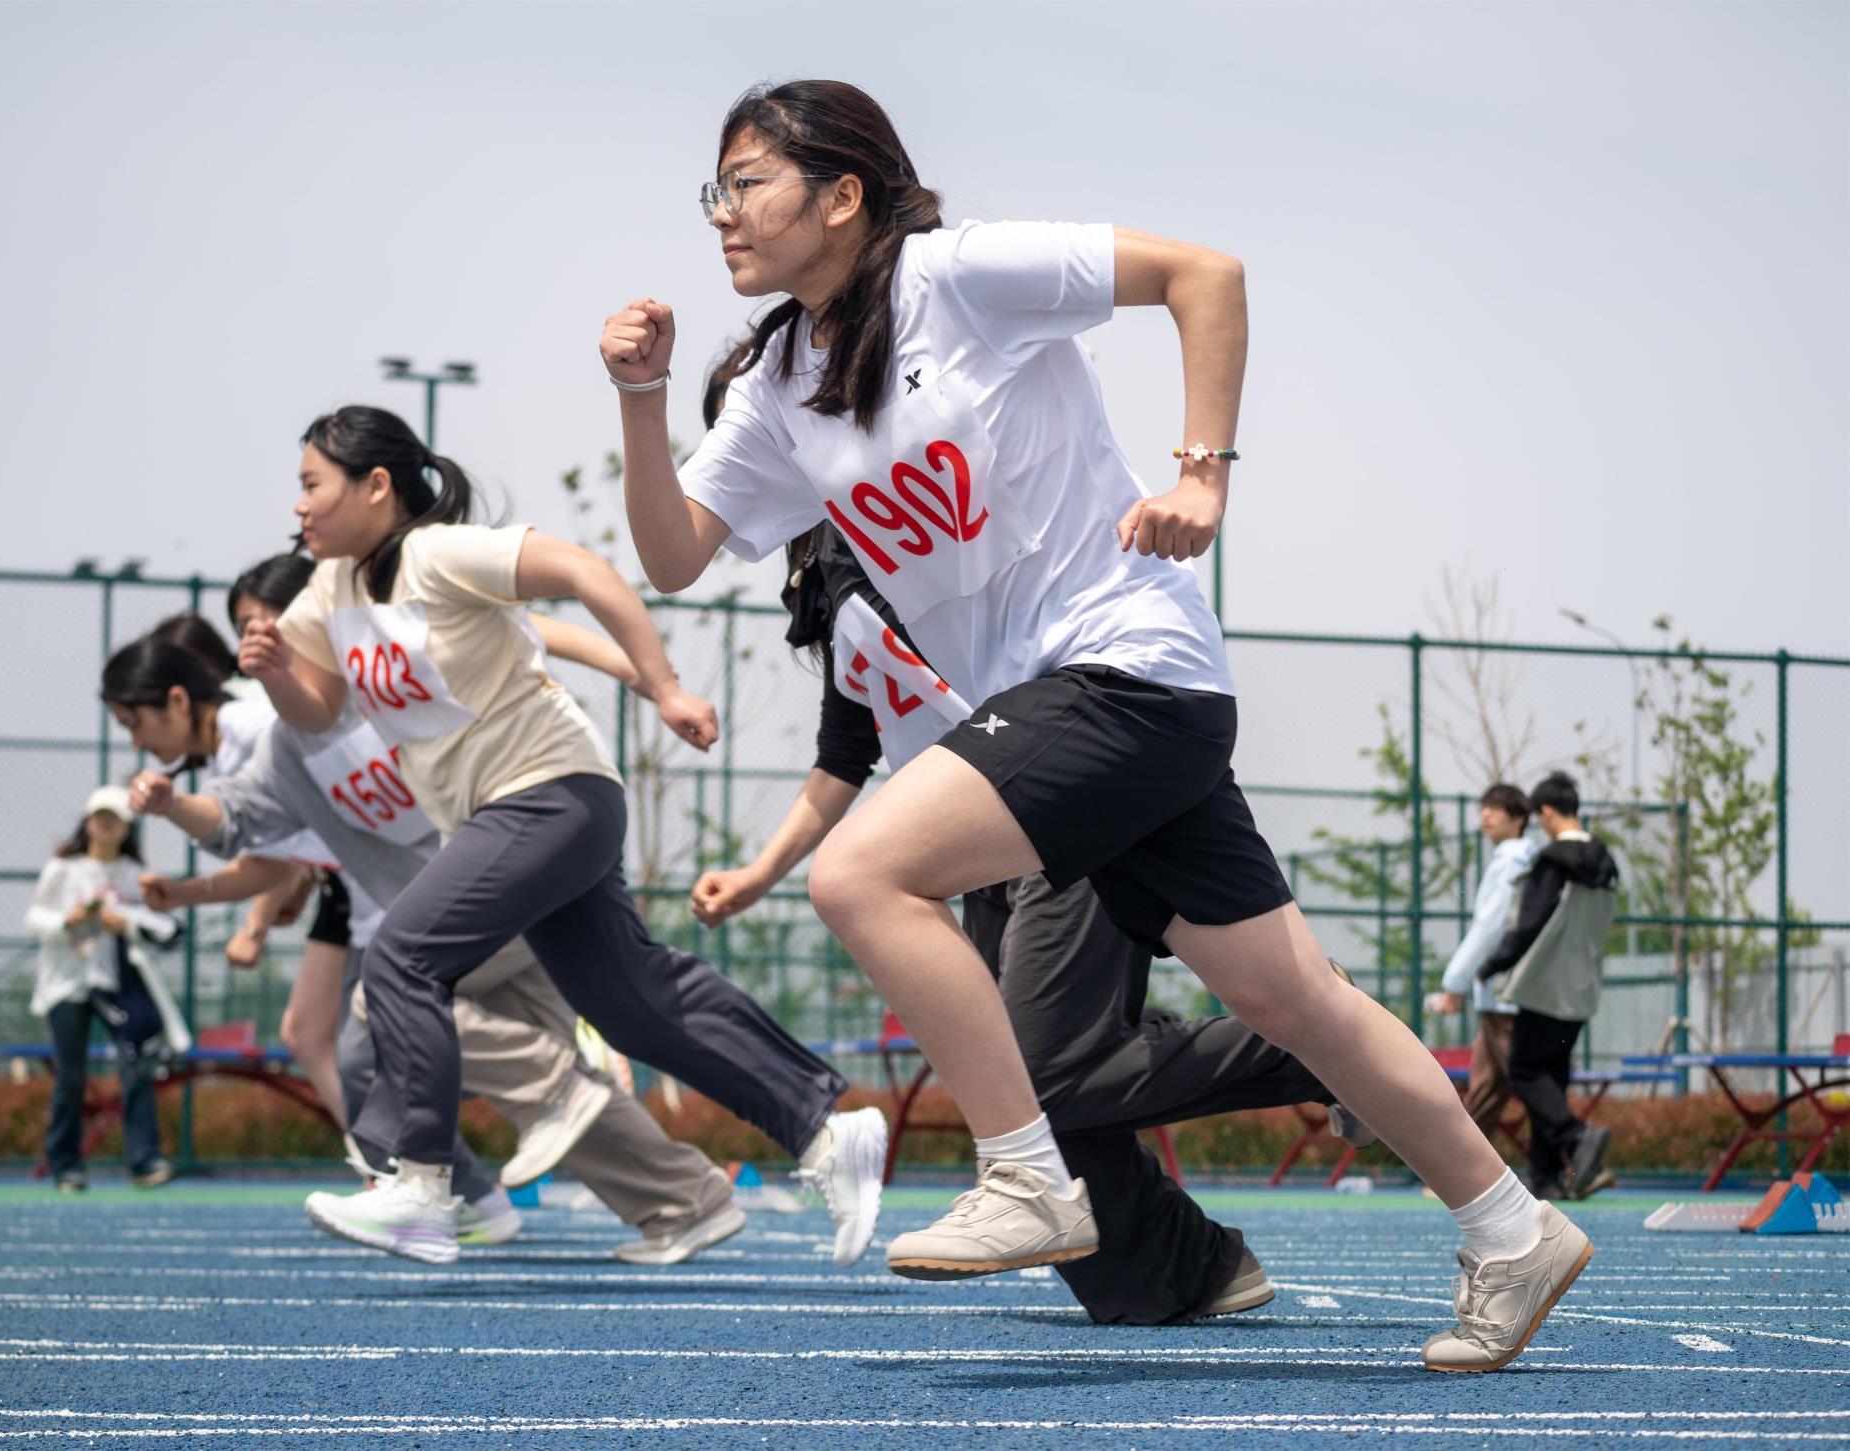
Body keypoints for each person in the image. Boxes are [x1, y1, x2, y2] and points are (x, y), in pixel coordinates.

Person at [602, 78, 1590, 1370]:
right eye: (714, 191)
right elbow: (674, 553)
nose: (723, 214)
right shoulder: (783, 377)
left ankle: (1027, 1172)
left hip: (1128, 664)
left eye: (747, 183)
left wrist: (1200, 469)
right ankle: (1513, 1228)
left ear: (842, 193)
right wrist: (643, 395)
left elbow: (1204, 272)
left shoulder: (961, 276)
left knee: (861, 870)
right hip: (1068, 703)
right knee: (1289, 994)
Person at [691, 364, 1350, 1324]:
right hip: (967, 842)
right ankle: (1183, 1267)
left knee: (1043, 1071)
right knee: (1019, 1086)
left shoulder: (908, 514)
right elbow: (847, 751)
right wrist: (760, 872)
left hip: (1053, 801)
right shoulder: (825, 573)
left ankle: (1318, 1043)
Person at [235, 404, 885, 1267]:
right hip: (512, 816)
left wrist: (663, 686)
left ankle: (423, 1185)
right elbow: (318, 711)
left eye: (313, 485)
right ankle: (823, 1131)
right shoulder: (329, 594)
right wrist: (281, 675)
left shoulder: (440, 553)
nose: (300, 507)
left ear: (376, 486)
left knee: (400, 957)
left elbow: (585, 572)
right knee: (630, 999)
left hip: (551, 793)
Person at [147, 606, 357, 1132]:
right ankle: (389, 1165)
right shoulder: (228, 737)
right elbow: (275, 850)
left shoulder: (250, 717)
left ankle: (403, 1165)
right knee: (317, 1036)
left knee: (382, 1033)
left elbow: (277, 846)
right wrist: (185, 893)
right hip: (348, 882)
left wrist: (256, 922)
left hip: (375, 879)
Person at [22, 785, 190, 1191]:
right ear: (88, 822)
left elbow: (168, 927)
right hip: (69, 984)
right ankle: (66, 1166)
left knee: (135, 1068)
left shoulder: (137, 876)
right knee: (71, 1076)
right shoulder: (63, 870)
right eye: (99, 817)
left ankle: (145, 1161)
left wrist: (127, 924)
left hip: (119, 987)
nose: (105, 824)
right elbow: (34, 919)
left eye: (113, 818)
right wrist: (69, 920)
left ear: (127, 827)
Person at [1477, 771, 1620, 1201]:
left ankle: (1577, 1137)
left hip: (1544, 985)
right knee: (1551, 1079)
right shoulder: (1607, 862)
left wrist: (1494, 963)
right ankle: (1546, 1177)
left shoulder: (1552, 860)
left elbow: (1528, 923)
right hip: (1581, 988)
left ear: (1545, 813)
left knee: (1522, 1072)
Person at [1426, 783, 1538, 1146]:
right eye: (1483, 808)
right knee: (1487, 1087)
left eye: (1497, 809)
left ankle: (1574, 1154)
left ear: (1519, 818)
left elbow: (1491, 925)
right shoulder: (1524, 856)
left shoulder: (1511, 858)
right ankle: (1465, 1174)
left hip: (1506, 991)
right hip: (1505, 993)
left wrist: (1455, 982)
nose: (1486, 815)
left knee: (1526, 1084)